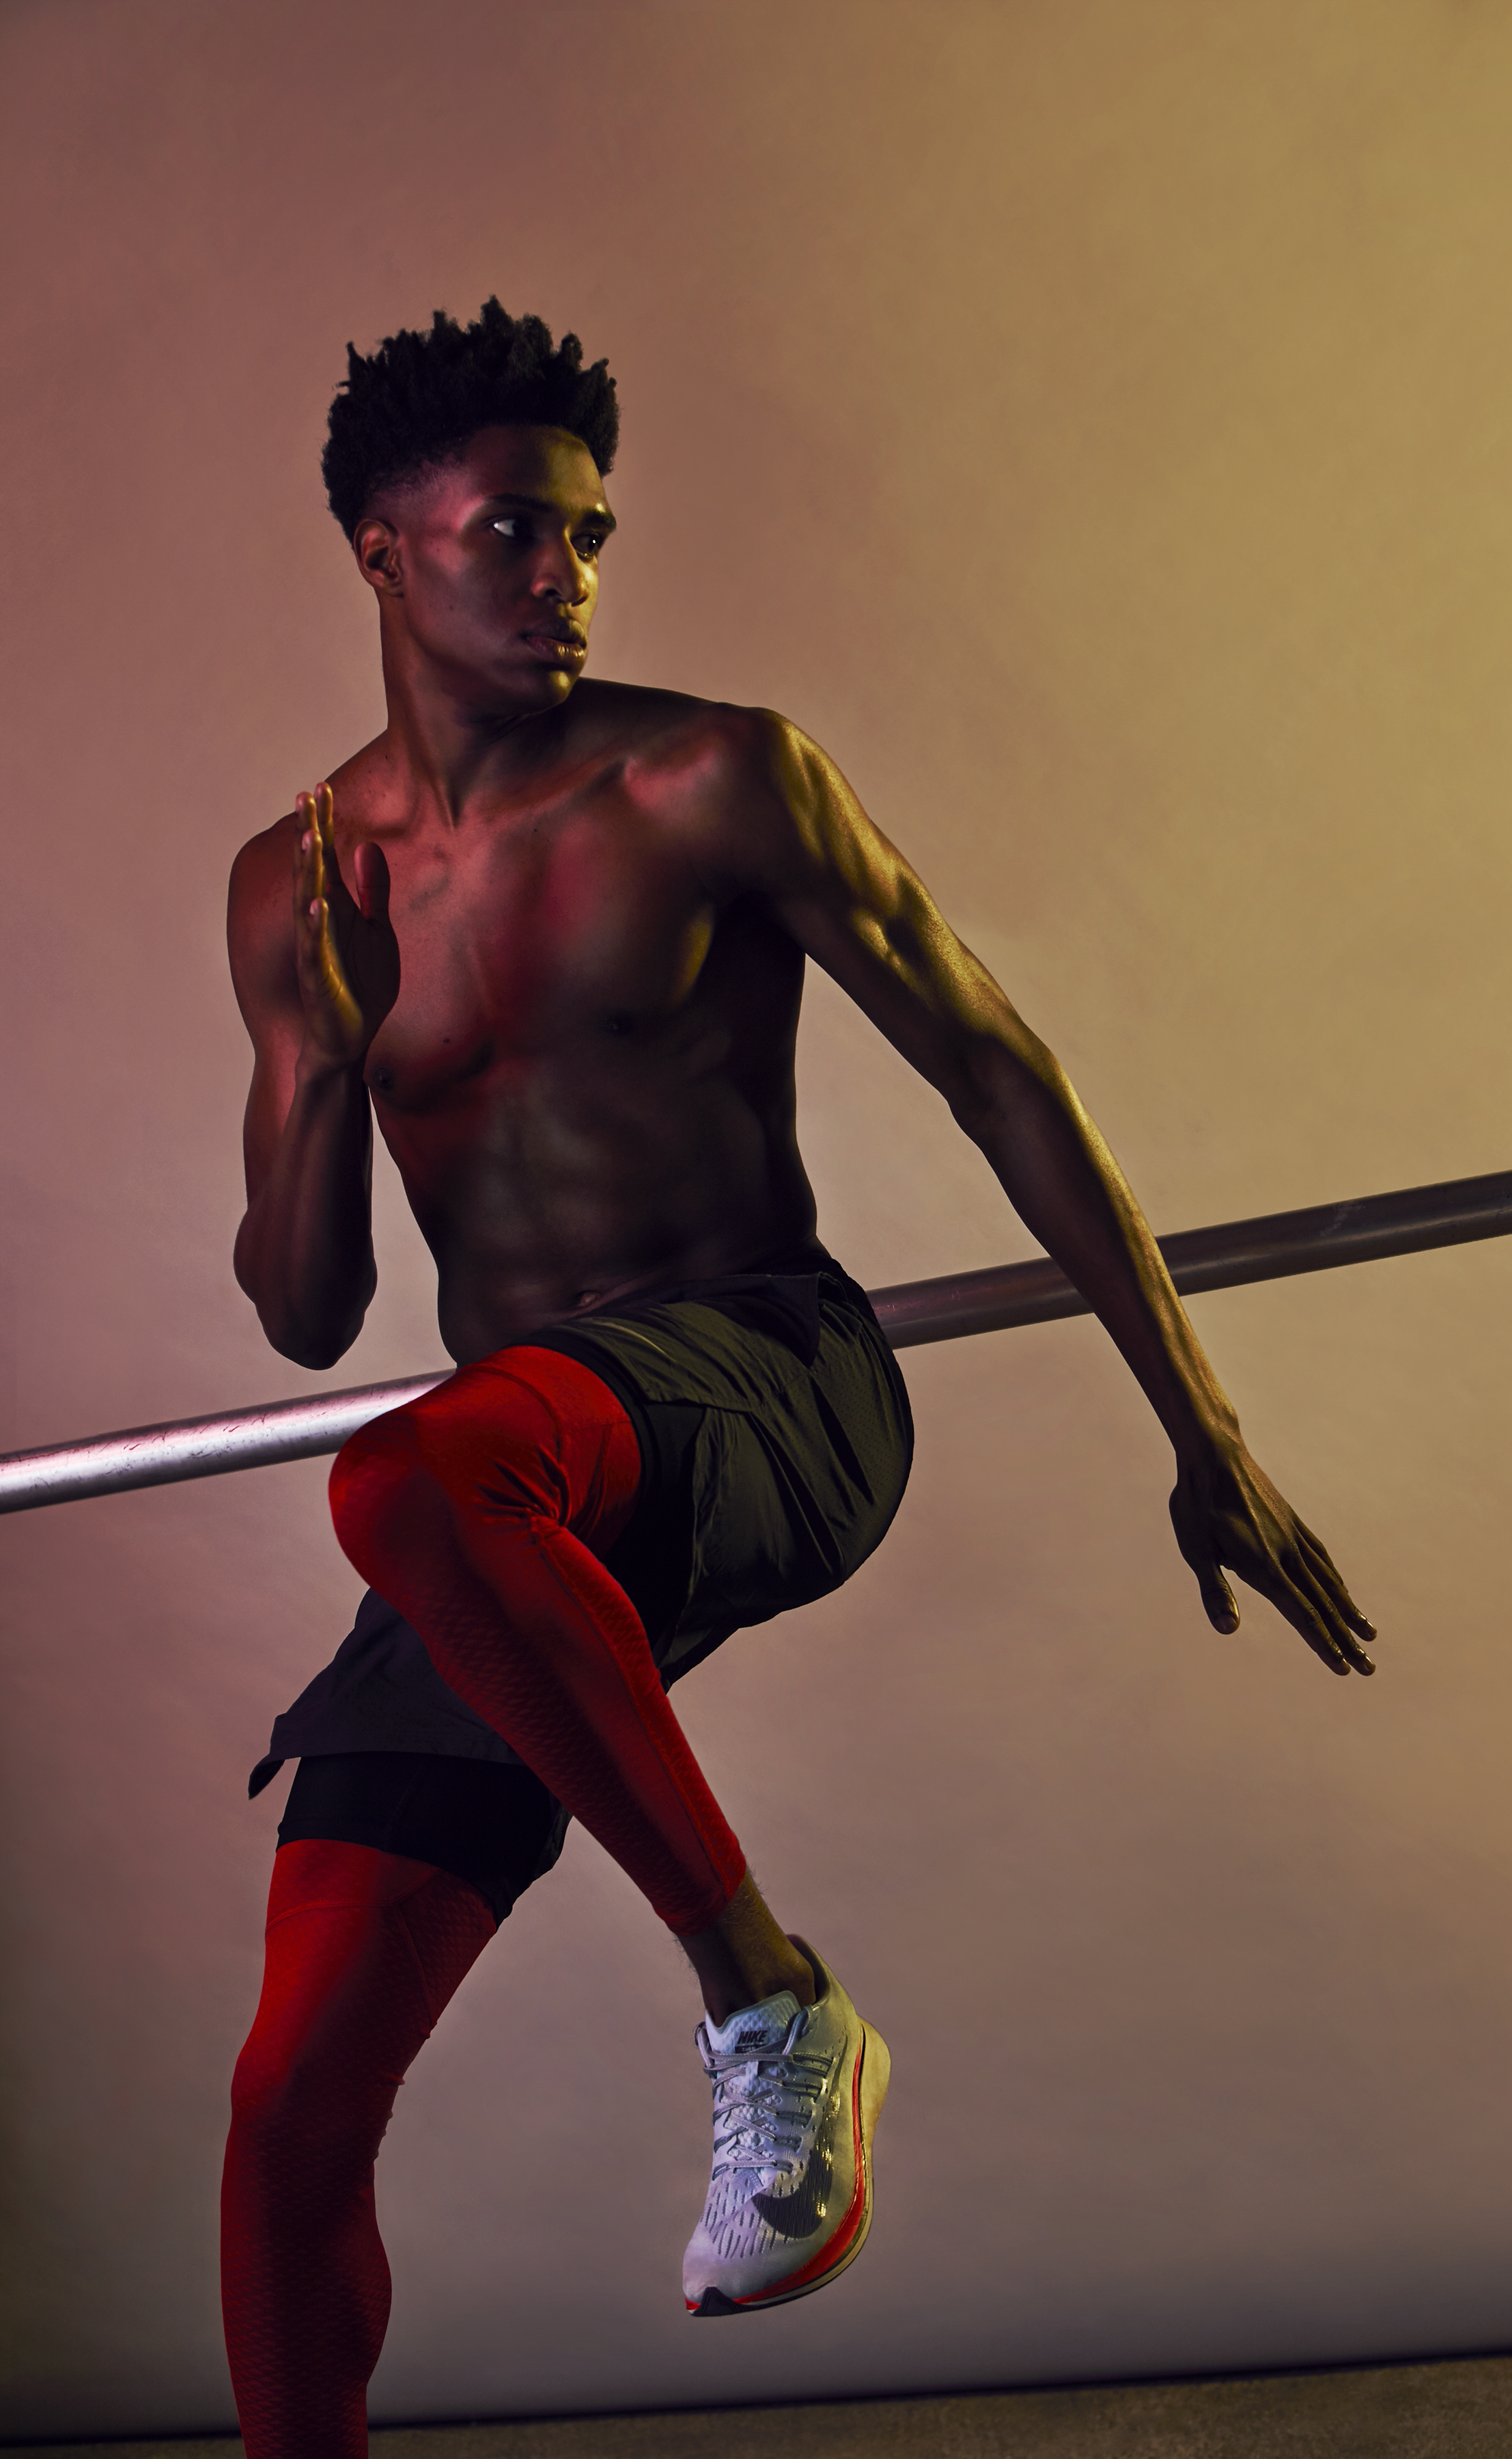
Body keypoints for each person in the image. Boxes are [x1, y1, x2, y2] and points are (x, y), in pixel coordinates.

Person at [221, 298, 1375, 2459]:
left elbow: (996, 1068)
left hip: (770, 1375)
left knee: (405, 1484)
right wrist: (325, 1068)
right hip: (521, 1488)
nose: (565, 575)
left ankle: (771, 1998)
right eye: (510, 532)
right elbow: (304, 1310)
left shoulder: (710, 776)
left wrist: (1203, 1431)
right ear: (381, 550)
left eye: (588, 534)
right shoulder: (296, 886)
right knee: (291, 2105)